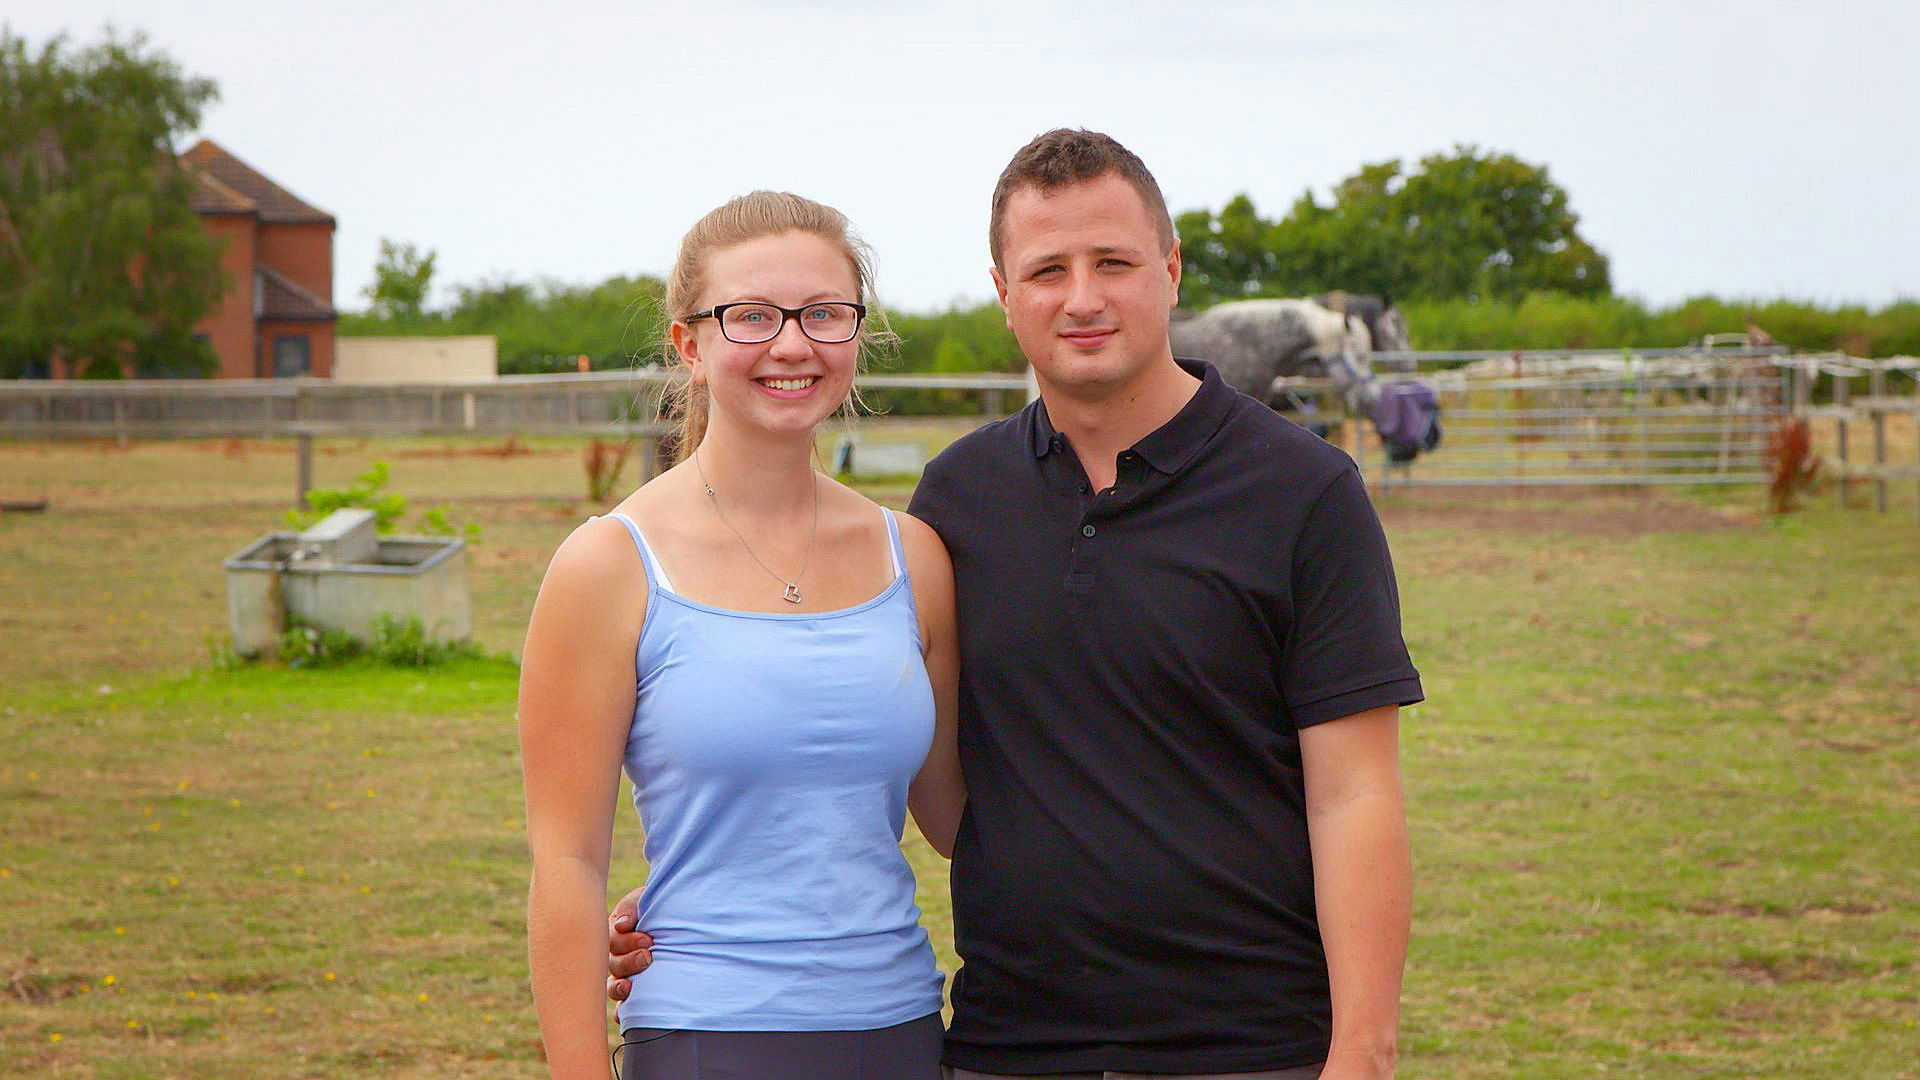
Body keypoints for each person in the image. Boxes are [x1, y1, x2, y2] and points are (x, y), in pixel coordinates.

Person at [612, 130, 1421, 1079]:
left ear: (1169, 270)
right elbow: (896, 753)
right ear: (1004, 294)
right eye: (1047, 270)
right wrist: (706, 886)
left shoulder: (1305, 491)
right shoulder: (958, 500)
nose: (1082, 298)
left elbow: (1356, 794)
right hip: (1008, 1043)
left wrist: (1361, 1053)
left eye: (1113, 262)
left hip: (1250, 1047)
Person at [520, 191, 964, 1080]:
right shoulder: (609, 566)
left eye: (823, 314)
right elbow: (565, 860)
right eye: (751, 316)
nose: (792, 344)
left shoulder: (913, 556)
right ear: (690, 343)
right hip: (706, 1036)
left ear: (855, 335)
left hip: (906, 1030)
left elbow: (960, 819)